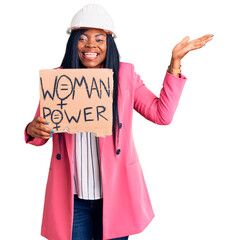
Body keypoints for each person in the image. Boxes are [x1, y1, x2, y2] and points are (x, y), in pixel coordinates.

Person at [24, 4, 213, 240]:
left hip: (115, 196)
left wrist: (175, 62)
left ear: (109, 44)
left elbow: (161, 115)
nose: (91, 45)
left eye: (99, 39)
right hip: (71, 199)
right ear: (73, 43)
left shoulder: (124, 76)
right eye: (82, 38)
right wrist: (32, 129)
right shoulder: (58, 80)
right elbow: (39, 131)